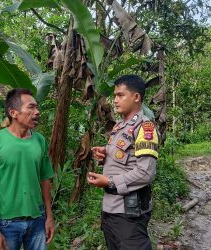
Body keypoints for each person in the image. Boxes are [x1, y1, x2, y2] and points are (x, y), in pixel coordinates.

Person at [87, 75, 158, 250]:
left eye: (120, 95)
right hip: (111, 208)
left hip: (129, 213)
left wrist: (110, 181)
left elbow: (145, 173)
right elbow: (124, 160)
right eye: (115, 95)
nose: (115, 100)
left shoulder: (144, 128)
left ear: (136, 97)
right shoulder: (119, 127)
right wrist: (105, 154)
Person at [0, 88, 55, 250]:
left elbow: (45, 180)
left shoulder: (40, 141)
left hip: (37, 219)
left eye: (37, 107)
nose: (37, 112)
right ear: (13, 112)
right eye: (31, 107)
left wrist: (49, 216)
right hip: (6, 223)